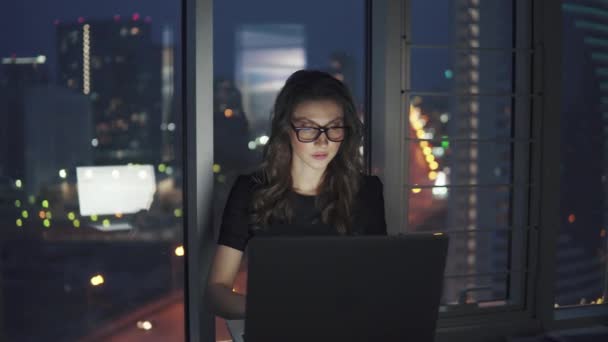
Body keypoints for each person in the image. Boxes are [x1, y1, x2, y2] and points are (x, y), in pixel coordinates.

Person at [206, 69, 387, 319]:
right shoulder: (251, 190)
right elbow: (217, 290)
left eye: (333, 128)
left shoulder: (366, 192)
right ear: (286, 130)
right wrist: (274, 312)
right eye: (308, 129)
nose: (322, 142)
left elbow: (378, 282)